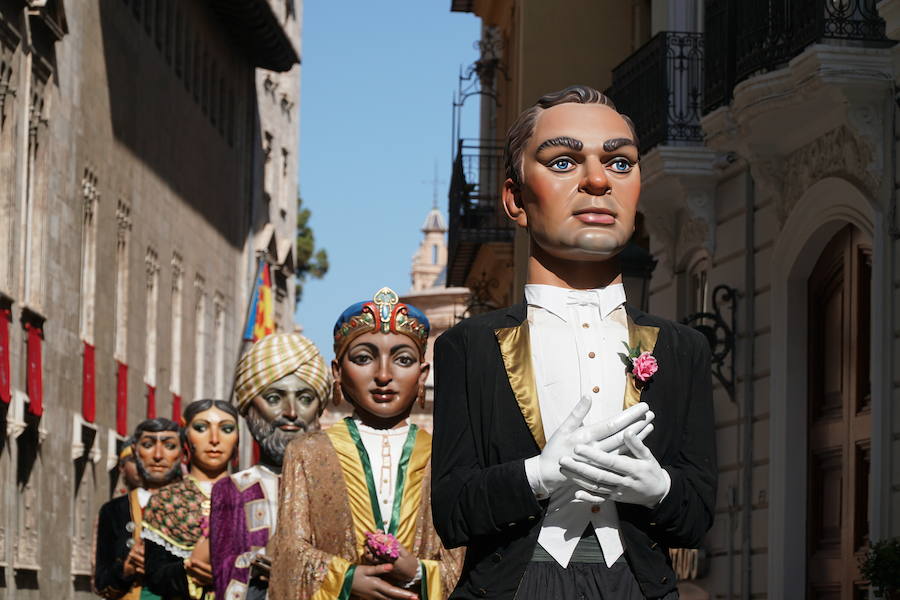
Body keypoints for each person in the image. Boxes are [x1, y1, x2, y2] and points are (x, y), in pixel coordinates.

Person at [431, 85, 717, 600]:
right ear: (516, 199)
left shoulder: (683, 349)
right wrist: (536, 475)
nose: (596, 180)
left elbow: (696, 516)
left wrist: (659, 490)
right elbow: (452, 512)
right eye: (563, 162)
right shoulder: (469, 346)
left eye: (620, 164)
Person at [269, 287, 462, 600]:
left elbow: (466, 563)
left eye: (403, 359)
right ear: (338, 372)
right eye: (363, 358)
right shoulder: (308, 452)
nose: (383, 374)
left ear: (422, 373)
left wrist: (416, 572)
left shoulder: (446, 456)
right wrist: (345, 579)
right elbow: (289, 551)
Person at [210, 332, 330, 600]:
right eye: (274, 398)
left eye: (305, 398)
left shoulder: (336, 488)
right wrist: (257, 565)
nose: (291, 412)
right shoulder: (230, 490)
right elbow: (221, 572)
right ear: (250, 408)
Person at [142, 399, 240, 599]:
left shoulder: (251, 497)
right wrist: (188, 571)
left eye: (226, 429)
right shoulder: (165, 501)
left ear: (237, 439)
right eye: (201, 428)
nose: (214, 439)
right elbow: (154, 576)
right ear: (185, 438)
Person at [94, 418, 183, 599]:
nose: (158, 455)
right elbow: (102, 584)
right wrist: (126, 569)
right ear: (136, 450)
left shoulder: (196, 505)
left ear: (183, 452)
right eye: (148, 445)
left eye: (169, 446)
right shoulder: (114, 511)